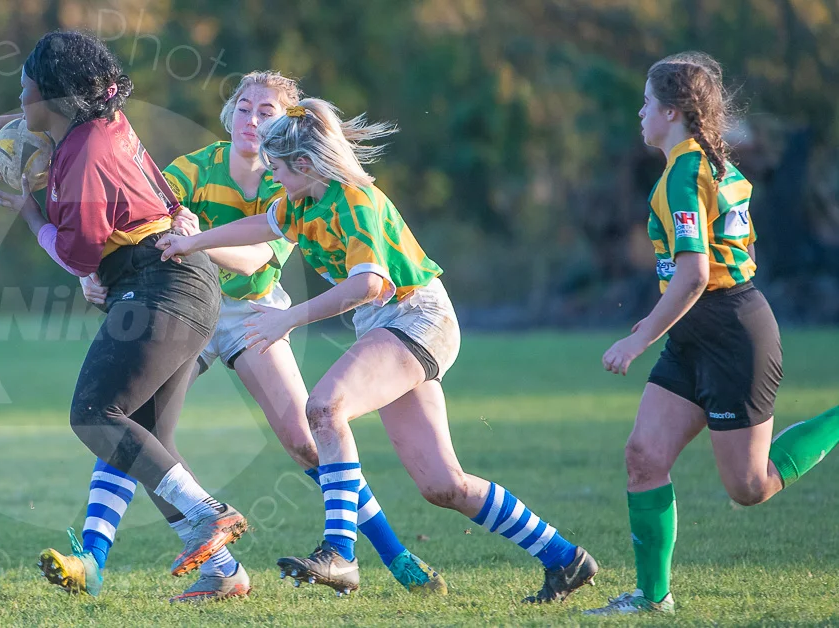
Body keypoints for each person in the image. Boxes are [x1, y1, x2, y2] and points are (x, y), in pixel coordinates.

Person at [158, 98, 598, 603]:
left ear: (303, 165)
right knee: (442, 485)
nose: (271, 178)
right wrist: (192, 243)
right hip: (386, 326)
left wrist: (288, 317)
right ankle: (565, 558)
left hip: (418, 318)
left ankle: (340, 553)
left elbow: (368, 283)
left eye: (277, 168)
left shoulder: (354, 199)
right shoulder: (301, 200)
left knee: (325, 407)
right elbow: (260, 228)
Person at [42, 71, 444, 602]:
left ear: (289, 129)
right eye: (244, 107)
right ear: (229, 113)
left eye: (267, 111)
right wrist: (93, 275)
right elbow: (134, 219)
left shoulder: (293, 178)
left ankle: (392, 554)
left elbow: (259, 257)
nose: (252, 120)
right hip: (184, 298)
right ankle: (91, 559)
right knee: (128, 419)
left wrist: (196, 241)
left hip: (254, 311)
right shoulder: (194, 168)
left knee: (304, 439)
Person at [0, 30, 249, 593]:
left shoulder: (82, 154)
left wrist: (35, 217)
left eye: (24, 89)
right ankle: (224, 571)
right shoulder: (104, 127)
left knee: (94, 413)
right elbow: (158, 197)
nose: (20, 99)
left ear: (53, 96)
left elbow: (80, 253)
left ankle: (208, 513)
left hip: (160, 285)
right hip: (182, 283)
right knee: (148, 442)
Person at [585, 51, 839, 616]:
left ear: (672, 112)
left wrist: (640, 337)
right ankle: (653, 599)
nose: (641, 112)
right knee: (643, 456)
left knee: (749, 487)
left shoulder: (684, 172)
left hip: (732, 336)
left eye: (648, 102)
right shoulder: (708, 162)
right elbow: (723, 257)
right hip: (700, 331)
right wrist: (668, 319)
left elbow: (698, 271)